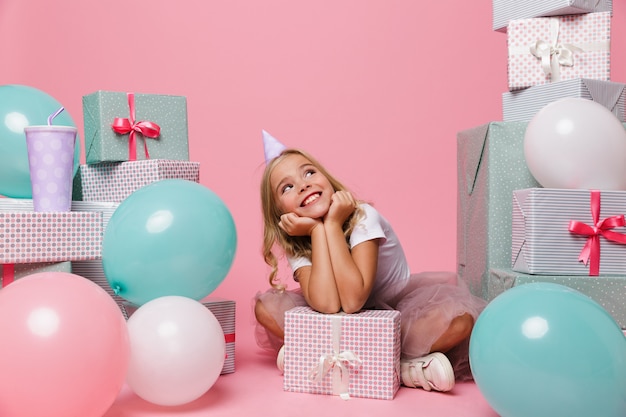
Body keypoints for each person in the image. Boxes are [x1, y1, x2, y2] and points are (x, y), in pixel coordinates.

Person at [254, 131, 486, 392]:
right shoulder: (297, 236)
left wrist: (331, 223)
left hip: (396, 308)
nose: (303, 185)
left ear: (327, 179)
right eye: (287, 187)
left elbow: (353, 300)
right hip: (340, 317)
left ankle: (368, 362)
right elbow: (329, 305)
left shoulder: (363, 216)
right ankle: (404, 368)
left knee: (459, 320)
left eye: (309, 173)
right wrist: (317, 232)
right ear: (281, 214)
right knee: (265, 309)